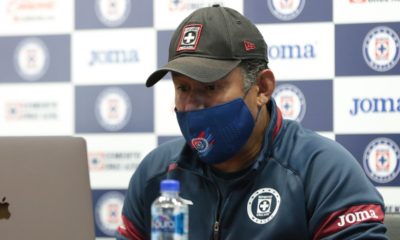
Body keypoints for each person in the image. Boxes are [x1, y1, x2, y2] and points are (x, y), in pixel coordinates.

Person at [116, 5, 388, 240]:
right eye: (183, 88)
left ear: (262, 88)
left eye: (210, 88)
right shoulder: (156, 173)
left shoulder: (323, 171)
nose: (192, 105)